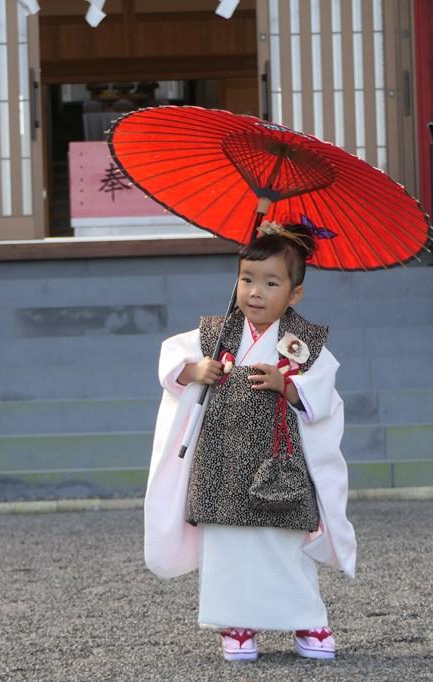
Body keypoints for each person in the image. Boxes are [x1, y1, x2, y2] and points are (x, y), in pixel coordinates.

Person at [144, 220, 357, 662]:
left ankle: (306, 618)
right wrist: (193, 370)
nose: (255, 292)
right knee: (227, 545)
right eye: (246, 279)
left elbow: (324, 396)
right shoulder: (214, 334)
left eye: (271, 282)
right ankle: (236, 623)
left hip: (278, 462)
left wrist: (287, 384)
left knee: (284, 543)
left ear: (295, 293)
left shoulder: (305, 344)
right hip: (221, 460)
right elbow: (172, 355)